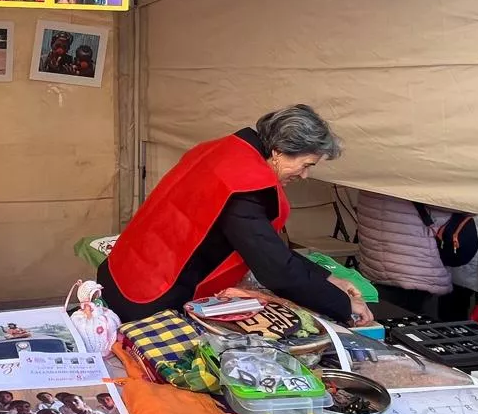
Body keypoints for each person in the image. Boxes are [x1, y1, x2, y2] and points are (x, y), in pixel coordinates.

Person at [101, 106, 372, 325]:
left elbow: (271, 250)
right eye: (305, 165)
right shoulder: (243, 183)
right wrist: (342, 304)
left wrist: (328, 278)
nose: (304, 175)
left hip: (126, 268)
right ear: (279, 151)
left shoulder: (224, 149)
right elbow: (275, 269)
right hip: (149, 294)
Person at [354, 191, 453, 313]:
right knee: (414, 321)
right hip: (413, 262)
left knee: (385, 312)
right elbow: (456, 202)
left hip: (380, 257)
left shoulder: (371, 175)